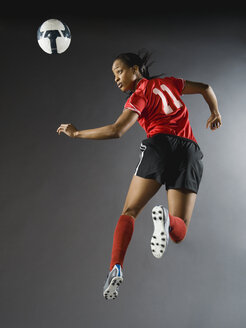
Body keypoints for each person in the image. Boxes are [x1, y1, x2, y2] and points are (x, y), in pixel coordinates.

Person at [56, 51, 222, 301]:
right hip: (190, 151)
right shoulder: (171, 83)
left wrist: (77, 134)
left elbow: (117, 130)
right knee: (180, 229)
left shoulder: (140, 93)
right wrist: (215, 112)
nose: (116, 78)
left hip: (161, 146)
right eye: (114, 75)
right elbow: (206, 88)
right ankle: (167, 221)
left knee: (130, 211)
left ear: (136, 69)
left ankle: (116, 267)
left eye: (119, 71)